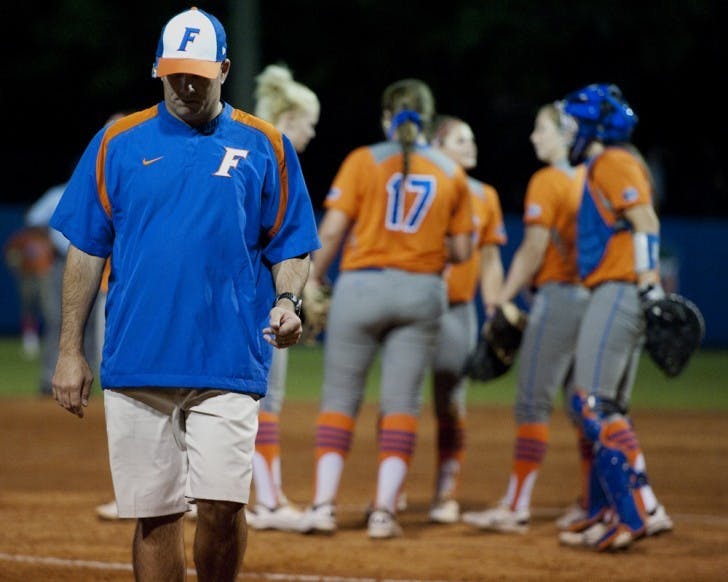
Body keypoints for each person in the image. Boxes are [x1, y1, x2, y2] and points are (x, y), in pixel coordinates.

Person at [50, 7, 320, 581]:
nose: (187, 85)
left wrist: (288, 301)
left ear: (224, 68)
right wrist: (70, 349)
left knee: (223, 508)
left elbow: (291, 244)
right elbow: (85, 249)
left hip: (227, 358)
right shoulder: (117, 143)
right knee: (156, 518)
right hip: (137, 360)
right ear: (157, 68)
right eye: (176, 73)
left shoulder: (264, 144)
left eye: (199, 73)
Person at [297, 78, 474, 539]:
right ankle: (383, 514)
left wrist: (312, 280)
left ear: (385, 117)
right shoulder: (451, 173)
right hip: (421, 293)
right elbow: (460, 250)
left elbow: (333, 231)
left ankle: (321, 506)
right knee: (402, 404)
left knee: (339, 399)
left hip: (362, 289)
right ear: (430, 122)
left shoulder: (363, 160)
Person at [552, 83, 673, 551]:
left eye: (573, 123)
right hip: (618, 286)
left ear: (596, 126)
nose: (569, 133)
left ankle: (633, 514)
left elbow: (645, 220)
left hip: (620, 287)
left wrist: (646, 284)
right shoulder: (605, 163)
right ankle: (613, 509)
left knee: (592, 403)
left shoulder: (613, 161)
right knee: (606, 406)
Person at [461, 102, 590, 533]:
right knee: (584, 404)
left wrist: (500, 297)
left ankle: (516, 504)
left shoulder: (548, 180)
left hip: (558, 298)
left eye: (542, 130)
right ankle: (593, 501)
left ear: (567, 135)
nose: (535, 137)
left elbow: (534, 248)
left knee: (533, 401)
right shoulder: (593, 178)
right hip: (594, 297)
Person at [244, 62, 321, 531]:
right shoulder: (271, 157)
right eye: (309, 122)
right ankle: (268, 503)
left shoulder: (249, 152)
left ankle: (265, 496)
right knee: (261, 400)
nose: (313, 131)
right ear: (289, 120)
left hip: (253, 295)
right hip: (260, 298)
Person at [420, 114, 507, 523]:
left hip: (458, 310)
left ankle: (445, 491)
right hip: (417, 307)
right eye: (460, 139)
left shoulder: (485, 196)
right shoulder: (421, 186)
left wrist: (495, 305)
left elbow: (490, 259)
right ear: (437, 146)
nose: (470, 145)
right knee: (398, 401)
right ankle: (389, 491)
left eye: (471, 138)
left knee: (451, 403)